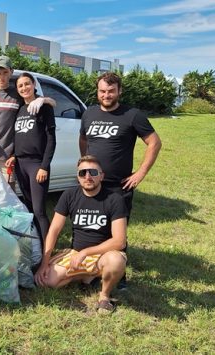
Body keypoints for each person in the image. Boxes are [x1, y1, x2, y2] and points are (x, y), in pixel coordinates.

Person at [79, 71, 162, 289]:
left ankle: (118, 276)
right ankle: (92, 271)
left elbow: (154, 143)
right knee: (93, 229)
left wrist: (140, 173)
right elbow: (84, 139)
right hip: (93, 185)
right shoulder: (89, 113)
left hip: (119, 185)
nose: (106, 95)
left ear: (119, 91)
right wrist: (85, 165)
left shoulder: (132, 115)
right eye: (102, 91)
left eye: (111, 91)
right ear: (97, 92)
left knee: (117, 234)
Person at [35, 155, 128, 313]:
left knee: (116, 261)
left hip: (102, 255)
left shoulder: (115, 199)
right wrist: (44, 263)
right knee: (47, 281)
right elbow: (54, 230)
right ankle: (87, 277)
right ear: (77, 177)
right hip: (75, 253)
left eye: (93, 172)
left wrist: (86, 252)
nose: (88, 176)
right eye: (82, 173)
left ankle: (104, 296)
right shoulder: (70, 195)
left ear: (102, 175)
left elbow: (119, 241)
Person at [0, 55, 54, 182]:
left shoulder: (17, 95)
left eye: (5, 72)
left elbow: (50, 102)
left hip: (6, 159)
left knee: (6, 199)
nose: (1, 76)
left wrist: (43, 99)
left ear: (11, 72)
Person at [4, 72, 56, 242]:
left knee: (39, 210)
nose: (24, 88)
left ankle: (47, 250)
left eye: (27, 84)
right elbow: (19, 137)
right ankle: (35, 245)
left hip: (36, 165)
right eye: (20, 86)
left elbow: (51, 139)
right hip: (21, 165)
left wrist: (44, 166)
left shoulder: (43, 107)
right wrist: (14, 156)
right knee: (28, 207)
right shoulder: (20, 109)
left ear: (34, 85)